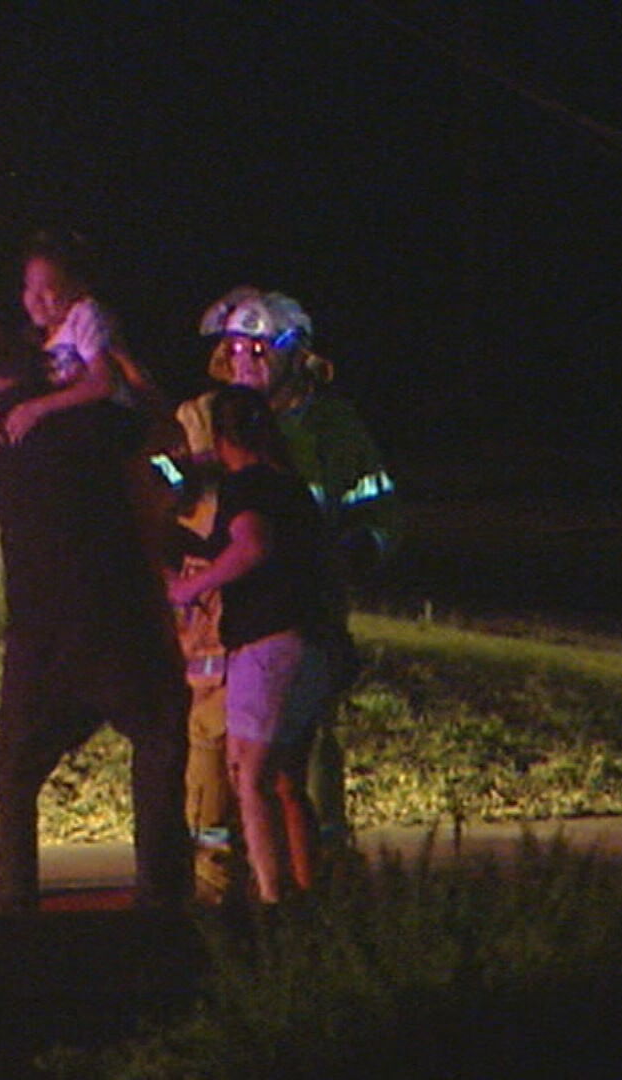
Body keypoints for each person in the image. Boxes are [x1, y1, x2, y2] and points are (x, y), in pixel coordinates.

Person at [0, 312, 192, 914]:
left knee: (16, 765)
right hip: (119, 610)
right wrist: (108, 361)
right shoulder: (91, 418)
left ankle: (12, 891)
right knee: (158, 735)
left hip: (39, 624)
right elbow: (160, 428)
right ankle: (162, 891)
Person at [166, 287, 404, 879]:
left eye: (257, 348)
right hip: (219, 622)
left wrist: (351, 551)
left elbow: (378, 514)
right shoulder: (202, 419)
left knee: (302, 754)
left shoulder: (332, 428)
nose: (243, 361)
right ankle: (216, 884)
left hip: (303, 616)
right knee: (213, 750)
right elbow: (161, 492)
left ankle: (317, 883)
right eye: (234, 348)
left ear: (294, 354)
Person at [168, 385, 339, 905]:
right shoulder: (293, 488)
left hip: (267, 645)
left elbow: (252, 545)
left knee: (250, 776)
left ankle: (272, 899)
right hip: (313, 644)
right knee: (287, 778)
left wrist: (190, 587)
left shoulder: (247, 488)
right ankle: (312, 889)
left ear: (221, 438)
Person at [0, 230, 168, 455]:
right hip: (73, 423)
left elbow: (103, 383)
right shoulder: (33, 338)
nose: (35, 299)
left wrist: (37, 408)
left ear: (77, 287)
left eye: (47, 290)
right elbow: (8, 385)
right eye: (28, 288)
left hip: (108, 420)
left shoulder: (85, 314)